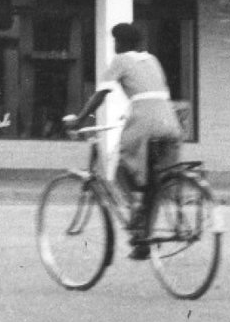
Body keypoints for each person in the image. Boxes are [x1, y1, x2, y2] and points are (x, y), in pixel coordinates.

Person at [62, 22, 184, 260]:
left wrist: (79, 120)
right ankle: (143, 242)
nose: (114, 46)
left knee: (119, 167)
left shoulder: (120, 60)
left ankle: (135, 207)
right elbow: (152, 94)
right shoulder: (152, 60)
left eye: (115, 42)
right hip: (170, 123)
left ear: (121, 43)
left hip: (144, 123)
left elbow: (101, 94)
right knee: (155, 183)